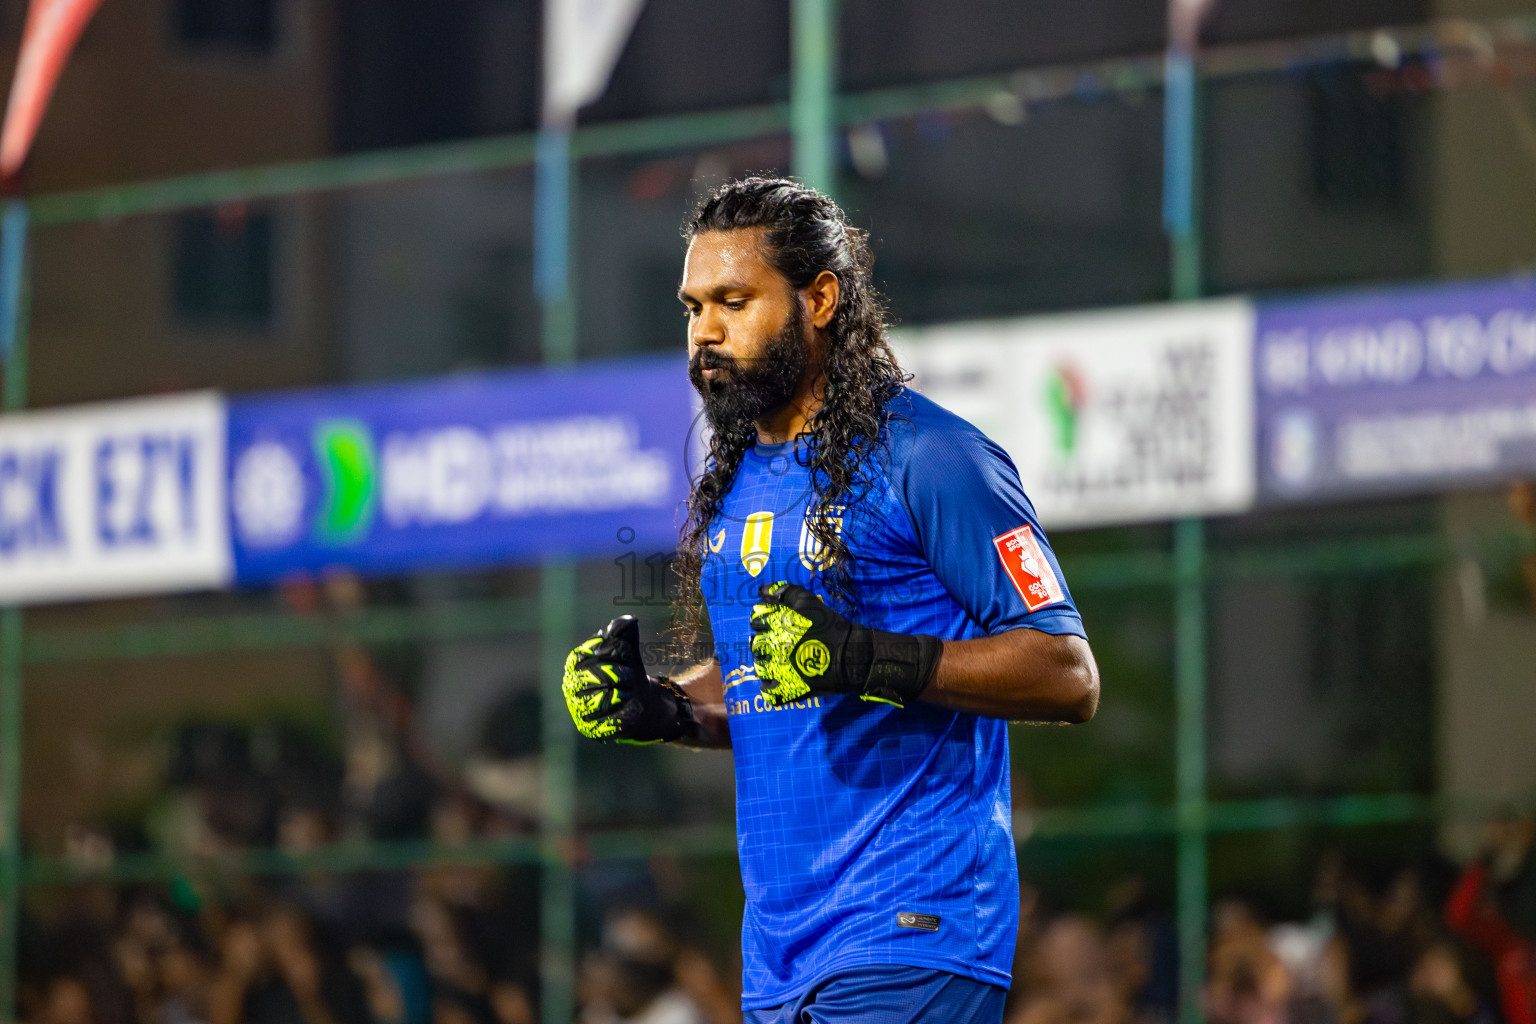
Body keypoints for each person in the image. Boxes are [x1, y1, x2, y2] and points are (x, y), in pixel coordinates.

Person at [561, 177, 1099, 1023]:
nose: (705, 331)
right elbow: (770, 683)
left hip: (914, 926)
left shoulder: (936, 457)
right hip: (779, 954)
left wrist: (862, 655)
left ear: (819, 300)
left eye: (734, 302)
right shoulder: (738, 477)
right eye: (694, 307)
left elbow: (1067, 672)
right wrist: (664, 708)